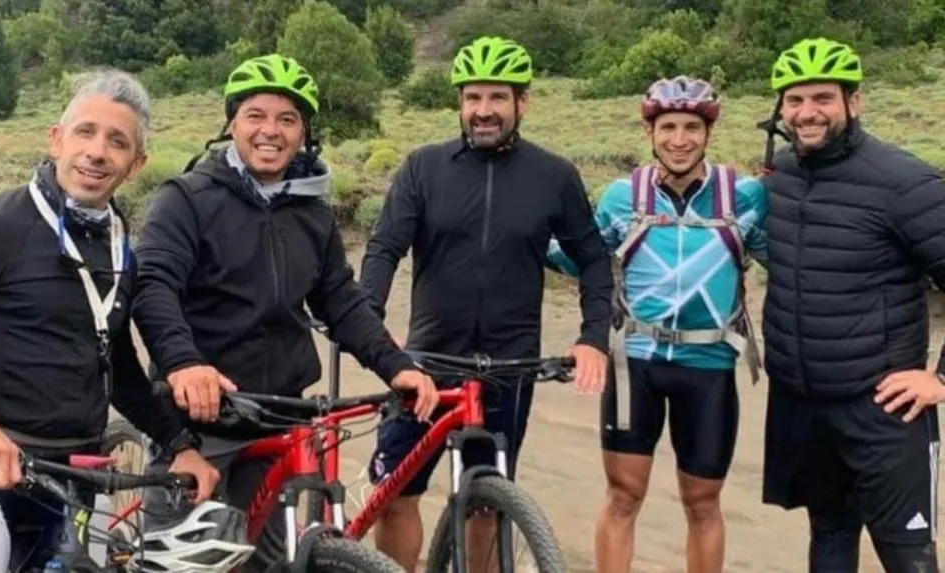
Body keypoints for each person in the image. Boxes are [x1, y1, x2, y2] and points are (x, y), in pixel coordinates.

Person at [131, 53, 438, 571]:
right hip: (196, 420)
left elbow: (340, 300)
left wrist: (396, 365)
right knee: (183, 564)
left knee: (269, 562)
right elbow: (153, 283)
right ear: (232, 124)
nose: (270, 130)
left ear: (303, 133)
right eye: (255, 115)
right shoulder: (186, 199)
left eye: (287, 119)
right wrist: (183, 362)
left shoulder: (311, 213)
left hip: (276, 416)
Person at [0, 69, 219, 571]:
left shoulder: (118, 250)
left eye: (117, 141)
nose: (97, 152)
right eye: (85, 132)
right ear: (56, 139)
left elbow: (115, 366)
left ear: (136, 164)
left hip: (71, 478)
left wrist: (179, 445)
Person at [360, 36, 613, 571]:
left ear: (523, 102)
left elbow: (593, 259)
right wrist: (371, 323)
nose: (483, 110)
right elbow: (384, 248)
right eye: (473, 97)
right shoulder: (423, 168)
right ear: (459, 102)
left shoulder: (553, 176)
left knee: (485, 506)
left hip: (509, 367)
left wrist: (593, 338)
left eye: (497, 96)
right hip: (428, 364)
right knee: (396, 495)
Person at [547, 76, 767, 573]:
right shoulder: (623, 197)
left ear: (708, 133)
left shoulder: (743, 196)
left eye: (691, 127)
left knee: (703, 503)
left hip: (709, 365)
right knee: (623, 496)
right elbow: (581, 256)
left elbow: (790, 254)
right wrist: (521, 235)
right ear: (650, 132)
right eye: (668, 127)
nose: (679, 139)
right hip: (636, 366)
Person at [758, 37, 945, 573]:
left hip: (883, 409)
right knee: (830, 537)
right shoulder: (781, 176)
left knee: (907, 555)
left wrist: (940, 379)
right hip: (805, 405)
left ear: (853, 102)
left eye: (822, 98)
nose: (807, 112)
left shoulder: (903, 181)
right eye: (795, 100)